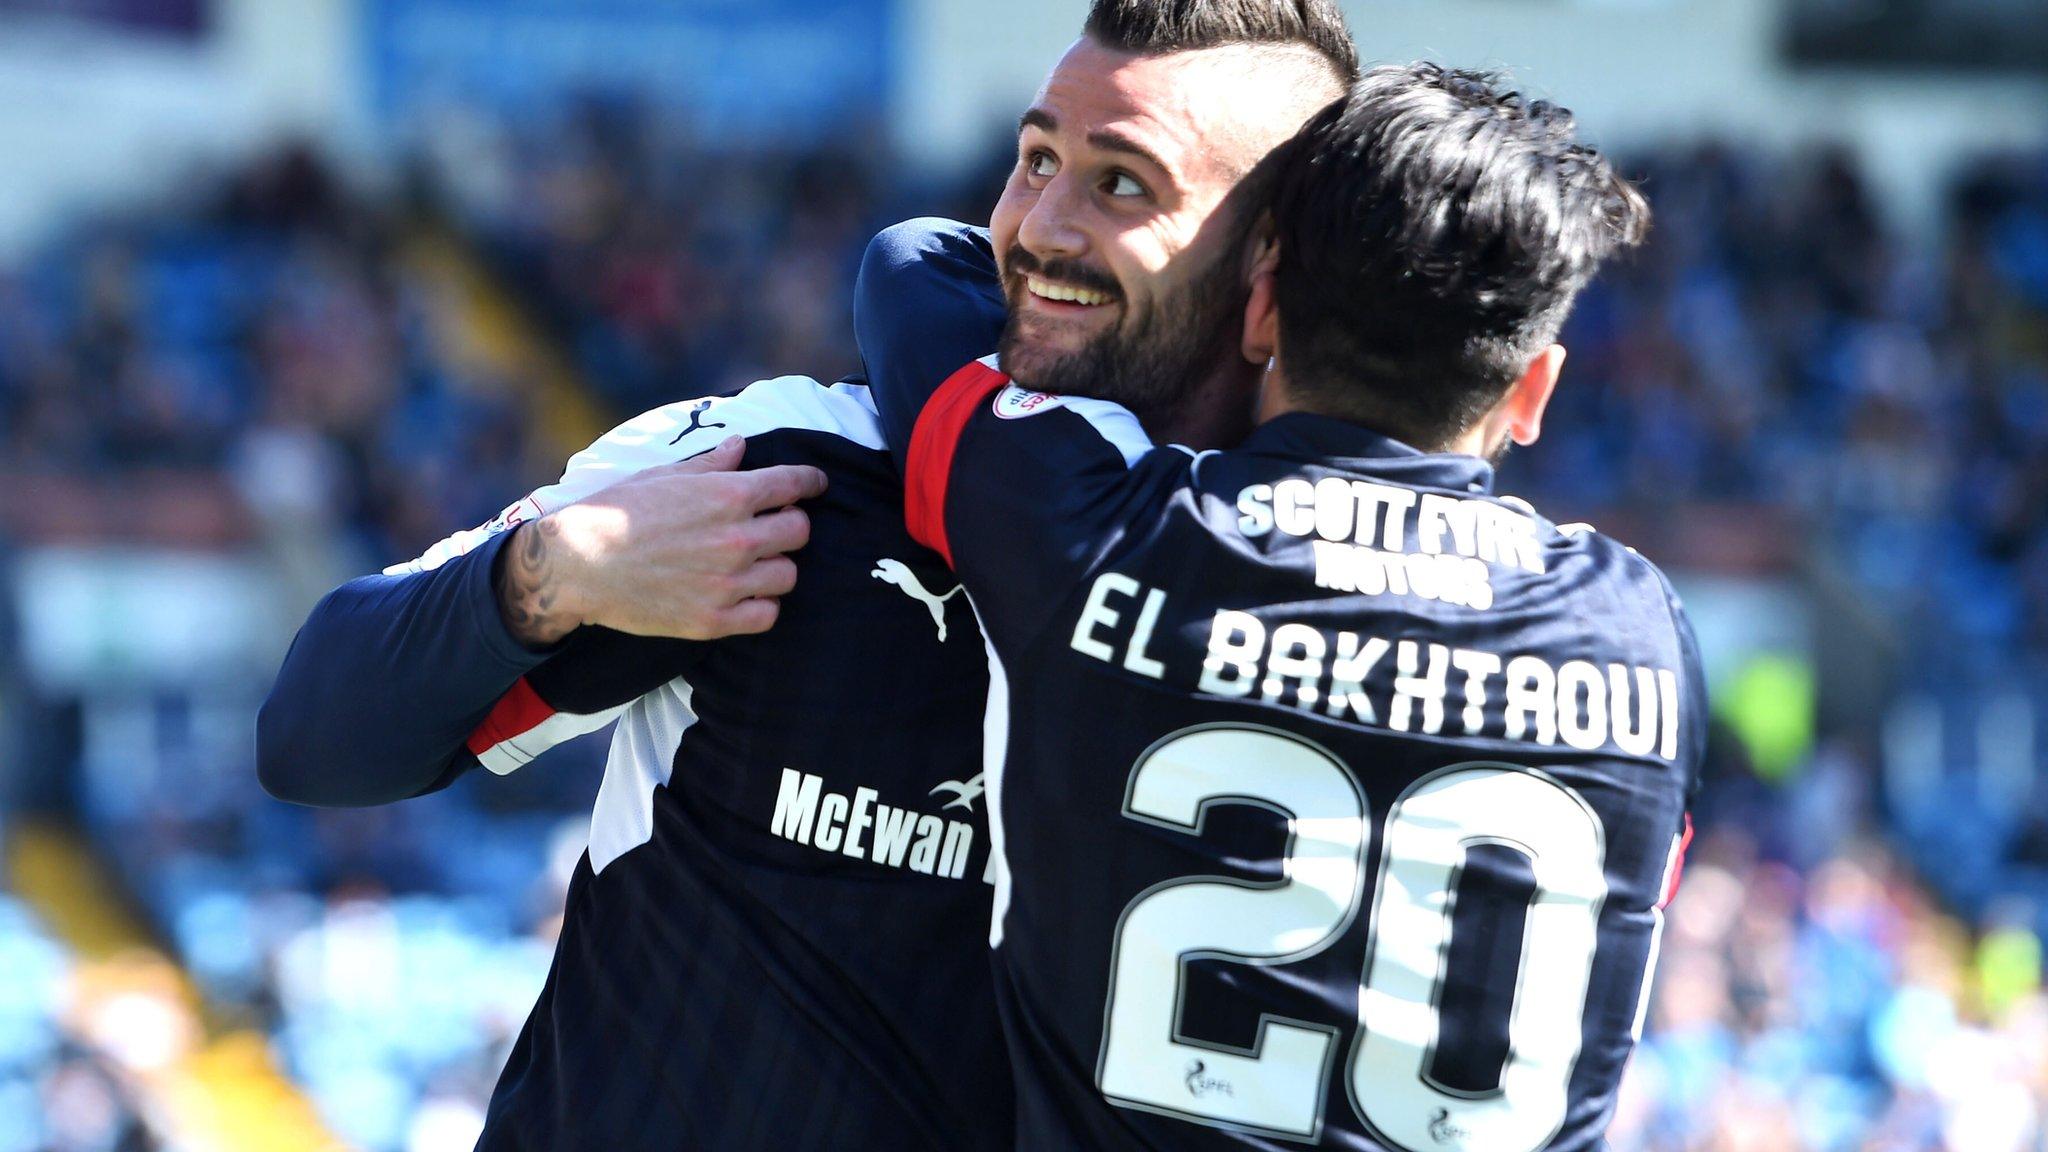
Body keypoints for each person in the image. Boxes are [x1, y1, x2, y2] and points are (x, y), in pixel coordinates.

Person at [256, 3, 1359, 1147]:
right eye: (1035, 161)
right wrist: (548, 575)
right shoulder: (796, 470)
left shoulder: (1307, 592)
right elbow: (316, 737)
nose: (1037, 228)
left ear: (1267, 263)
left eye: (1121, 184)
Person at [897, 64, 1700, 1149]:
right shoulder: (1640, 636)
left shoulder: (1103, 535)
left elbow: (910, 277)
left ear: (1262, 306)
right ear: (1531, 391)